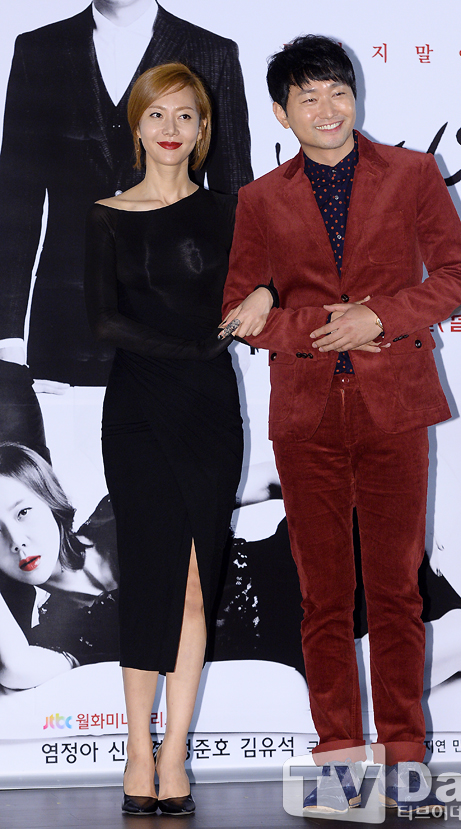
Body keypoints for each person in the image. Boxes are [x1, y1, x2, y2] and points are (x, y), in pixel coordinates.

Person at [222, 35, 461, 816]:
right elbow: (239, 311)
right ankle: (340, 771)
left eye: (338, 90)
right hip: (306, 420)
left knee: (398, 593)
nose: (328, 108)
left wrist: (381, 315)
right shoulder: (259, 200)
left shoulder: (413, 173)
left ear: (354, 95)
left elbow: (459, 275)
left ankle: (406, 765)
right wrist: (314, 326)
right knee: (323, 599)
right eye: (308, 96)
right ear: (282, 112)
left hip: (396, 408)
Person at [84, 62, 272, 816]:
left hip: (209, 412)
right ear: (137, 125)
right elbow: (103, 322)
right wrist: (197, 347)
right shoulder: (105, 213)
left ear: (203, 129)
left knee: (197, 582)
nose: (171, 128)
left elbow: (281, 274)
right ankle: (137, 749)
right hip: (137, 410)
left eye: (185, 115)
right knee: (149, 578)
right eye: (156, 114)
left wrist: (267, 292)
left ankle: (174, 752)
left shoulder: (232, 210)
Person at [0, 0, 252, 457]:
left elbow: (236, 198)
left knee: (182, 471)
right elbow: (15, 202)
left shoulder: (212, 51)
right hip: (66, 323)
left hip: (183, 316)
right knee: (72, 480)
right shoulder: (38, 48)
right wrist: (7, 334)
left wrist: (242, 310)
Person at [0, 443, 118, 692]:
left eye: (23, 512)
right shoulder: (57, 632)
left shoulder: (118, 513)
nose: (17, 541)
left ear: (49, 500)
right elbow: (15, 667)